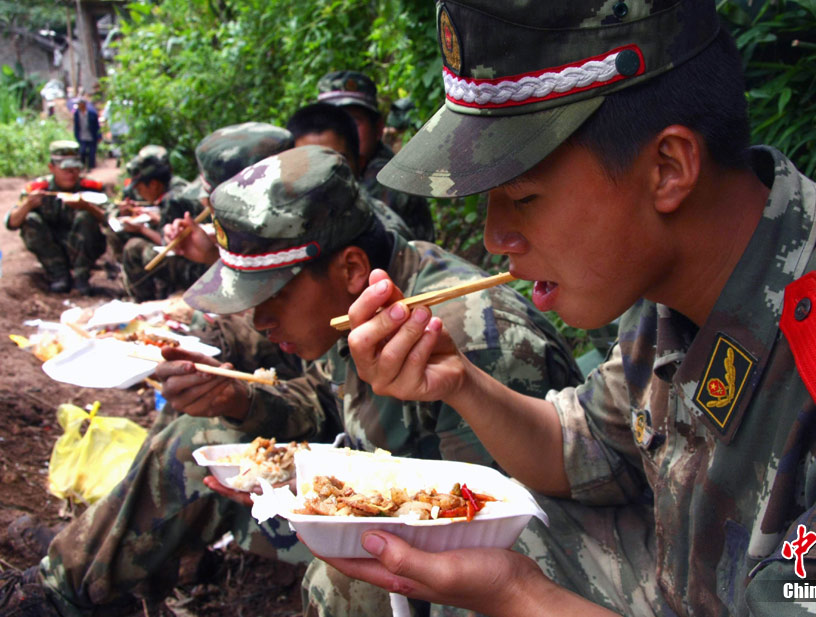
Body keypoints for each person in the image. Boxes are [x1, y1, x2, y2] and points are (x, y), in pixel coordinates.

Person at [319, 1, 816, 615]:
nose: (494, 238)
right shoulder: (668, 282)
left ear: (668, 169)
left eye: (522, 198)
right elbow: (583, 448)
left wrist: (518, 595)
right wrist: (458, 381)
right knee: (428, 538)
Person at [0, 146, 581, 617]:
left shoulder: (469, 338)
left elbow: (493, 524)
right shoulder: (366, 298)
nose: (257, 320)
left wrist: (318, 503)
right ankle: (65, 586)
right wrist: (240, 401)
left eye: (270, 294)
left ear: (349, 267)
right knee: (197, 441)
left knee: (347, 588)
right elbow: (328, 402)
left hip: (497, 569)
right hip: (372, 513)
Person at [318, 70, 436, 242]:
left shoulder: (391, 181)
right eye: (332, 122)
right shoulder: (319, 169)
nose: (343, 131)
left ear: (378, 128)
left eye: (354, 121)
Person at [286, 101, 415, 240]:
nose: (321, 176)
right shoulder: (275, 225)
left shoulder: (385, 232)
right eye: (307, 165)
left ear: (360, 164)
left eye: (335, 164)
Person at [3, 140, 107, 294]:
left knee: (86, 217)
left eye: (75, 168)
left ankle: (81, 277)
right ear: (52, 168)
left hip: (83, 245)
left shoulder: (92, 189)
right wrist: (28, 205)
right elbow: (11, 223)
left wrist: (88, 207)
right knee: (30, 219)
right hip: (52, 246)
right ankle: (58, 275)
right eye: (65, 169)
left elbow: (111, 221)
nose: (71, 174)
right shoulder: (38, 188)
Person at [118, 149, 206, 301]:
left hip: (199, 267)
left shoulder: (173, 200)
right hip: (208, 259)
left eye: (139, 188)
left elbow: (171, 244)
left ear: (153, 184)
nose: (139, 194)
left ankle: (143, 301)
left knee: (134, 248)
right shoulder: (178, 186)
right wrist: (157, 219)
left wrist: (141, 229)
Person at [72, 99, 101, 170]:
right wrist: (76, 136)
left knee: (92, 153)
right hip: (82, 136)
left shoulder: (92, 114)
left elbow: (97, 126)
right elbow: (76, 127)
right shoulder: (76, 114)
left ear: (84, 105)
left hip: (92, 136)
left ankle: (91, 167)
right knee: (82, 151)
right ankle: (83, 166)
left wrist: (99, 136)